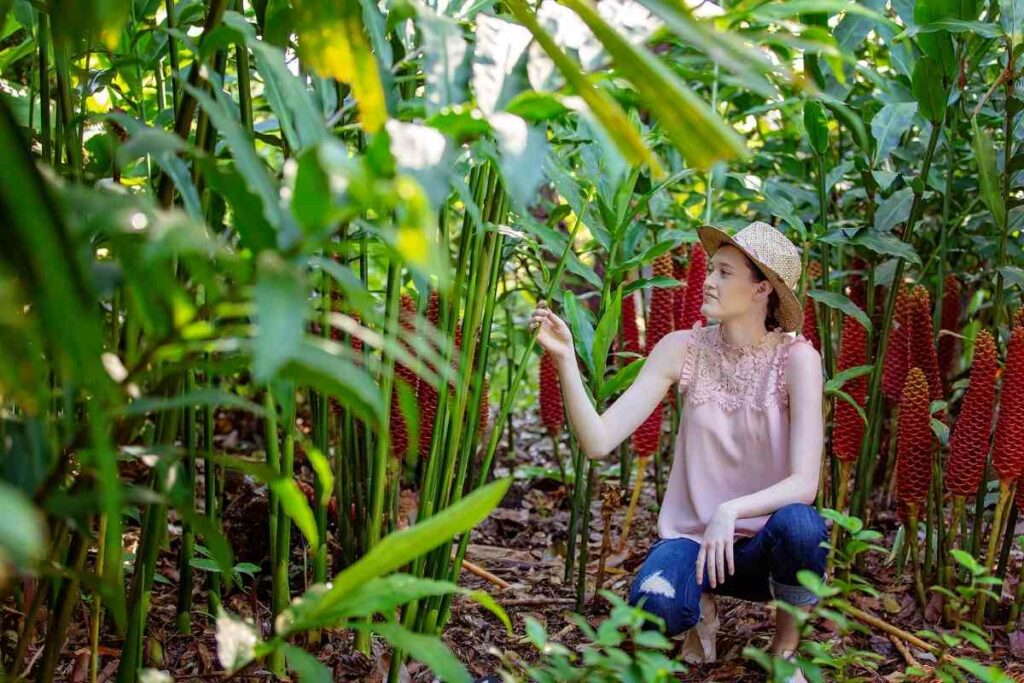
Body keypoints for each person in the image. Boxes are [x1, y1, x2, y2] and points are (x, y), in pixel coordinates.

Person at [529, 221, 827, 680]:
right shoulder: (680, 349)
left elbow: (805, 484)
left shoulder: (798, 360)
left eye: (725, 273)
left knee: (803, 528)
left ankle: (784, 651)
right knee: (653, 607)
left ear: (761, 288)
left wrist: (730, 511)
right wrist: (565, 359)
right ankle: (697, 610)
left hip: (762, 550)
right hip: (693, 543)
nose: (708, 281)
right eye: (712, 269)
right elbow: (598, 441)